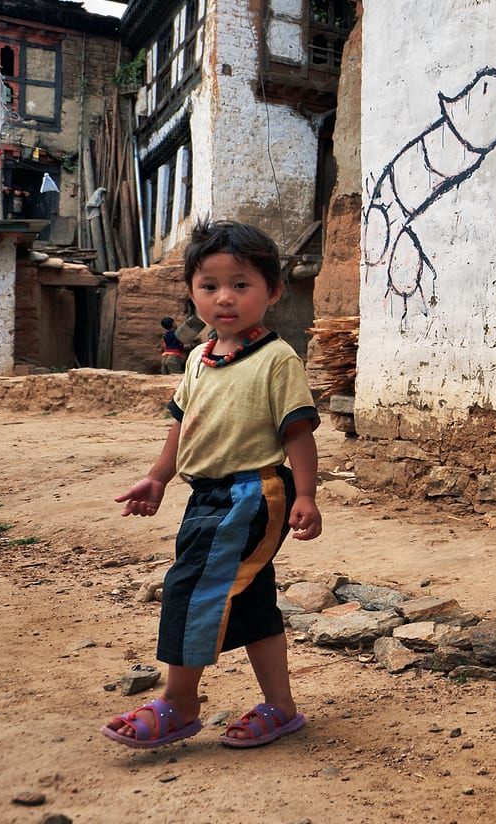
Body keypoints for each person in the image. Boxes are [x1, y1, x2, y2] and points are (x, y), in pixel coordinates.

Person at [103, 219, 322, 751]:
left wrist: (307, 495)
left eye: (241, 285)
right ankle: (281, 709)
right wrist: (158, 477)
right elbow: (183, 423)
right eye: (210, 285)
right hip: (206, 496)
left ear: (273, 291)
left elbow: (298, 432)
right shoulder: (199, 358)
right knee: (248, 599)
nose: (225, 297)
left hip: (253, 493)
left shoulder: (276, 360)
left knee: (192, 585)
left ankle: (179, 703)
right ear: (192, 291)